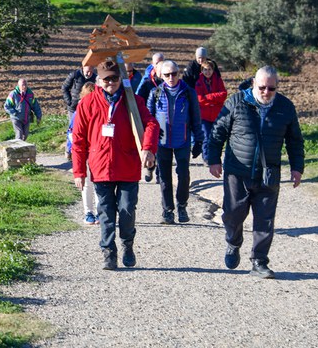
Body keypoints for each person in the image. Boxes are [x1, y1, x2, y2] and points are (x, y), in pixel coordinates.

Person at [208, 66, 304, 279]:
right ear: (253, 83)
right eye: (262, 87)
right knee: (233, 214)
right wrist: (213, 159)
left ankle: (259, 262)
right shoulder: (236, 102)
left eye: (272, 88)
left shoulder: (285, 107)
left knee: (265, 220)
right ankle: (233, 242)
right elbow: (217, 132)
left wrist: (297, 168)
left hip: (268, 173)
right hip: (237, 171)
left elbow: (295, 141)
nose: (266, 92)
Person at [72, 60, 160, 270]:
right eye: (106, 79)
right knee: (105, 212)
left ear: (121, 79)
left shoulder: (133, 101)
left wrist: (148, 148)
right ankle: (108, 252)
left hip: (127, 166)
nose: (111, 82)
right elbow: (78, 140)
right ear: (98, 80)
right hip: (100, 167)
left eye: (114, 78)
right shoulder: (87, 103)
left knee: (127, 210)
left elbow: (151, 124)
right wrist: (79, 171)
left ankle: (127, 245)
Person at [146, 60, 203, 224]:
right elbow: (149, 119)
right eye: (167, 74)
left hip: (183, 140)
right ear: (161, 76)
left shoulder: (188, 92)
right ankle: (167, 211)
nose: (171, 77)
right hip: (162, 142)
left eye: (174, 74)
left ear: (179, 74)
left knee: (184, 175)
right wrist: (150, 142)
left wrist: (198, 140)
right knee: (164, 177)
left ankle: (182, 205)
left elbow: (196, 118)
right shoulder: (155, 93)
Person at [66, 82, 99, 225]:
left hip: (96, 151)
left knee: (96, 183)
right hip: (84, 152)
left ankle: (96, 212)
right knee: (89, 184)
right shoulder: (80, 110)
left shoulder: (100, 107)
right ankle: (89, 212)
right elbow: (72, 132)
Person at [194, 59, 227, 164]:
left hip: (217, 115)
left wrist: (208, 98)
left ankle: (216, 156)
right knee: (206, 136)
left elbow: (223, 94)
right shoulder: (199, 82)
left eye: (209, 69)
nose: (207, 72)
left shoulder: (218, 80)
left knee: (217, 137)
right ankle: (206, 156)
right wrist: (214, 99)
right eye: (205, 70)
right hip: (204, 115)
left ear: (213, 70)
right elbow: (200, 99)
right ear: (201, 70)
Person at [61, 65, 96, 159]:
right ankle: (69, 150)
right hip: (74, 108)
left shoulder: (94, 78)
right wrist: (70, 102)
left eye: (91, 71)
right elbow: (64, 88)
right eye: (88, 71)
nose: (89, 73)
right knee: (73, 129)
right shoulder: (74, 75)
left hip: (88, 108)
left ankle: (83, 151)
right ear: (83, 68)